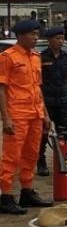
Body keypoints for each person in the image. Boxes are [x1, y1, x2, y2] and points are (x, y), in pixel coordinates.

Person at [0, 20, 53, 214]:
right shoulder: (8, 57)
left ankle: (27, 192)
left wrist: (45, 114)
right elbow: (2, 89)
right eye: (32, 34)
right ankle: (5, 196)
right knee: (11, 157)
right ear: (20, 36)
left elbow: (37, 88)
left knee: (31, 155)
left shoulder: (36, 57)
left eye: (37, 34)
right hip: (17, 115)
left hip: (35, 113)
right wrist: (5, 118)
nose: (36, 38)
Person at [34, 27, 67, 178]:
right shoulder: (41, 57)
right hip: (47, 101)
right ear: (49, 40)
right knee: (43, 134)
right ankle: (41, 163)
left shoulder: (66, 57)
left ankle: (65, 161)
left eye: (62, 38)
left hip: (62, 100)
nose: (60, 41)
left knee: (64, 133)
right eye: (57, 38)